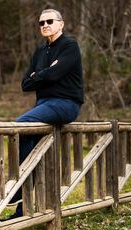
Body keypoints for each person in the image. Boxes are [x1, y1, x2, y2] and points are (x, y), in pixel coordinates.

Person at [8, 8, 84, 218]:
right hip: (44, 105)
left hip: (66, 104)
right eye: (41, 23)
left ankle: (18, 186)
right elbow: (25, 84)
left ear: (61, 23)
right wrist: (46, 72)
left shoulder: (70, 45)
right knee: (31, 143)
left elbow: (56, 73)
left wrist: (39, 75)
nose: (45, 25)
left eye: (50, 21)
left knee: (20, 125)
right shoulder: (40, 52)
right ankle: (23, 210)